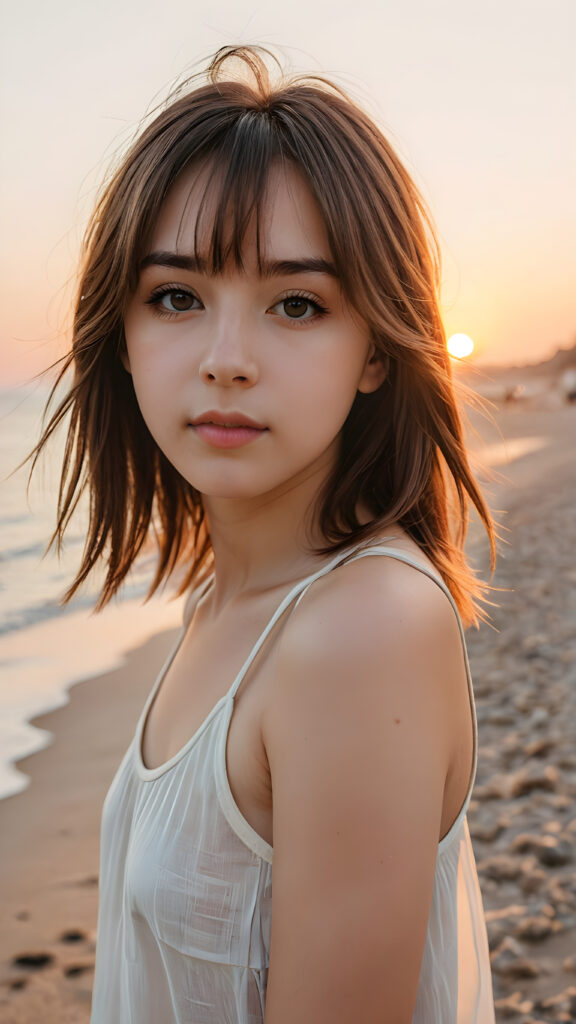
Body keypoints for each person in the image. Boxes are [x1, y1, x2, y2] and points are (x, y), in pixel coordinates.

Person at [32, 45, 496, 1023]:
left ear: (375, 350)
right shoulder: (222, 602)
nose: (228, 359)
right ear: (123, 335)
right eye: (177, 297)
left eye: (296, 304)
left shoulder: (363, 630)